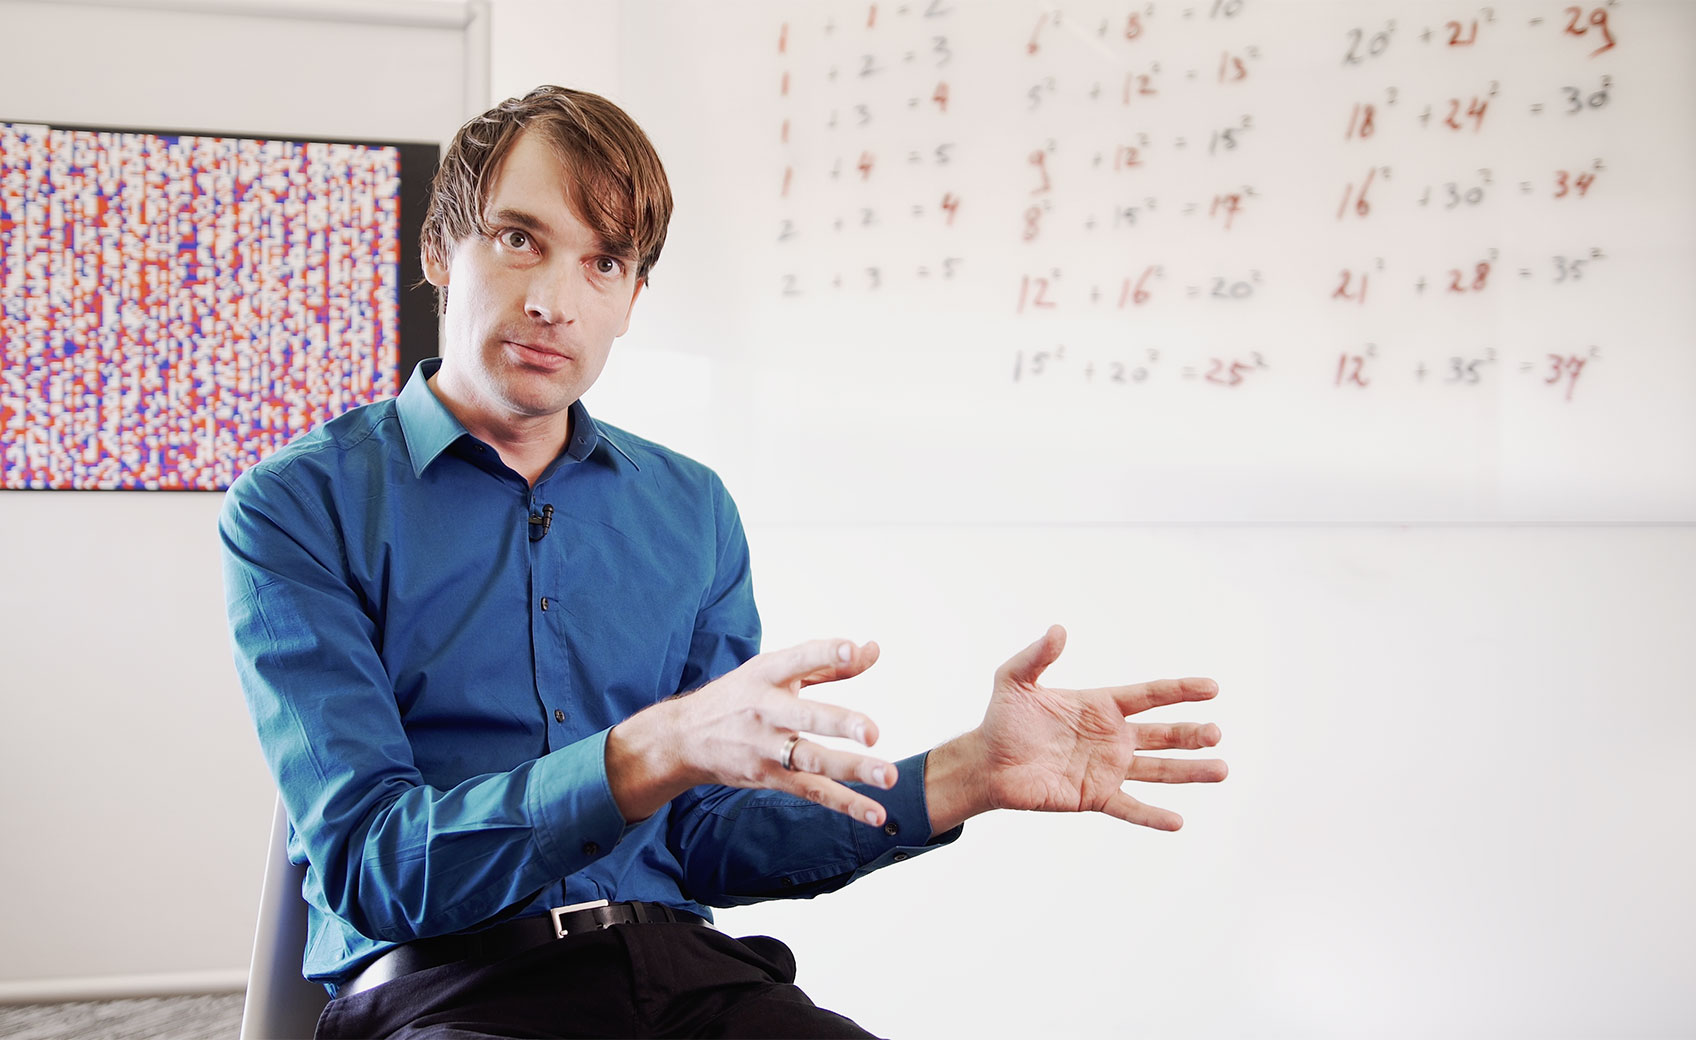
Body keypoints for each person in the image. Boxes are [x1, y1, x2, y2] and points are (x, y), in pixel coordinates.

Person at [220, 85, 1226, 1039]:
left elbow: (705, 837)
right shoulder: (300, 505)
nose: (554, 300)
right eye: (521, 239)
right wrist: (647, 752)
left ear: (633, 294)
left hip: (681, 975)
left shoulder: (689, 509)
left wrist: (965, 772)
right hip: (451, 989)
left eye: (603, 262)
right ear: (443, 250)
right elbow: (372, 860)